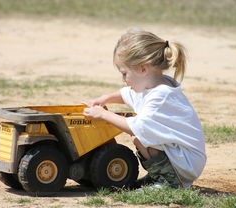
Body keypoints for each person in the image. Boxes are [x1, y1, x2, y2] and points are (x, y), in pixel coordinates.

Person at [83, 29, 206, 189]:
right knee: (140, 138)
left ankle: (169, 182)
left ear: (143, 69)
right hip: (182, 157)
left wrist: (104, 114)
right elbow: (126, 94)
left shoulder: (161, 96)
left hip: (186, 161)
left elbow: (136, 126)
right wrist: (104, 99)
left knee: (139, 135)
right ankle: (158, 176)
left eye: (124, 73)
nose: (123, 80)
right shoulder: (153, 85)